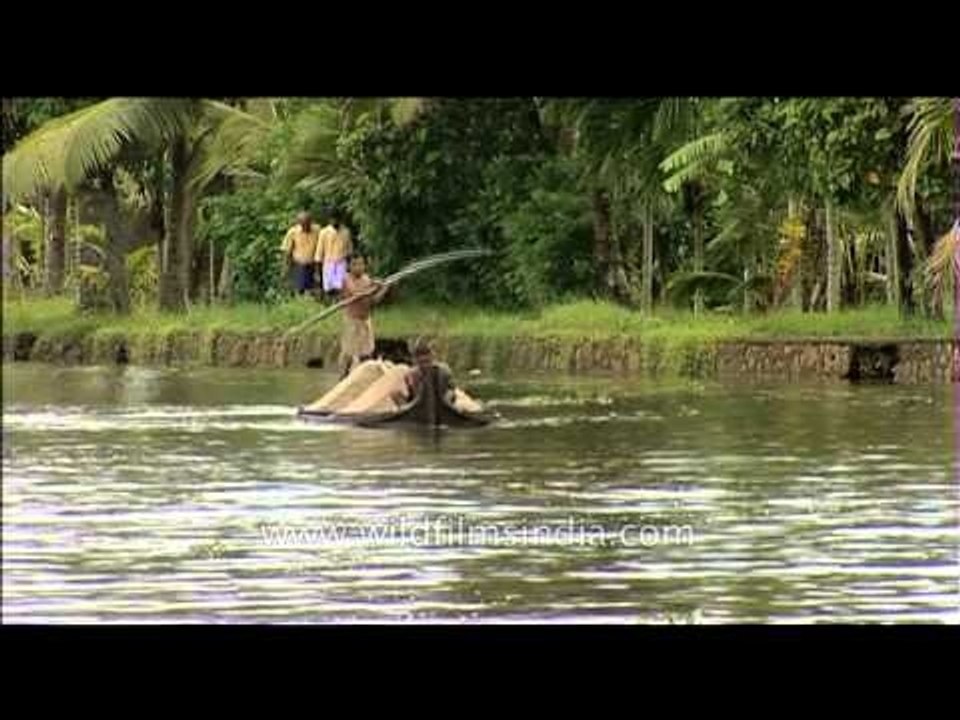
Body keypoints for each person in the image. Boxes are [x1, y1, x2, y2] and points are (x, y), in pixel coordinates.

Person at [338, 253, 388, 377]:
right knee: (349, 355)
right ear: (349, 266)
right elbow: (357, 295)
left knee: (367, 354)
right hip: (352, 321)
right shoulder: (346, 279)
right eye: (355, 264)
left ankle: (365, 379)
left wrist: (383, 289)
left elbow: (373, 302)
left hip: (365, 321)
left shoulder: (367, 279)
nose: (358, 267)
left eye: (361, 264)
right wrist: (373, 287)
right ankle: (342, 378)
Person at [281, 211, 321, 296]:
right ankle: (299, 303)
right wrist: (285, 267)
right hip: (299, 265)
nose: (305, 227)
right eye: (303, 224)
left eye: (307, 224)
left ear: (311, 222)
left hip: (313, 264)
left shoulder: (317, 230)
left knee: (314, 288)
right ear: (299, 223)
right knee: (299, 289)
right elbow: (287, 251)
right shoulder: (293, 232)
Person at [316, 213, 353, 298]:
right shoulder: (324, 232)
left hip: (341, 262)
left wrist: (350, 265)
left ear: (340, 220)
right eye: (332, 220)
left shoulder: (346, 232)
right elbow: (319, 251)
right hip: (328, 263)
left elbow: (350, 249)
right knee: (329, 287)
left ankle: (340, 303)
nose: (334, 222)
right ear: (329, 220)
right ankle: (330, 303)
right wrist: (317, 270)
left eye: (336, 220)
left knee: (341, 286)